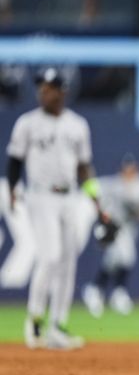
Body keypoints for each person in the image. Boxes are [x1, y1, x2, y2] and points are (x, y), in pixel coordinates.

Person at [5, 67, 110, 349]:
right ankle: (35, 321)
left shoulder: (77, 125)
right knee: (50, 257)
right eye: (41, 87)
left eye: (50, 87)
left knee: (68, 262)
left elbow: (84, 167)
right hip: (41, 196)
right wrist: (13, 189)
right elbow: (15, 160)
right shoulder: (27, 123)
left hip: (69, 196)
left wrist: (97, 202)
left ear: (62, 91)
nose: (44, 91)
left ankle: (57, 327)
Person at [81, 154, 139, 317]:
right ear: (122, 170)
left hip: (131, 228)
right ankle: (118, 293)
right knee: (127, 256)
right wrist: (101, 212)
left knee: (113, 260)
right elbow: (89, 186)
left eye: (132, 169)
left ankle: (95, 289)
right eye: (126, 169)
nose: (129, 173)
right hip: (114, 226)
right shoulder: (113, 184)